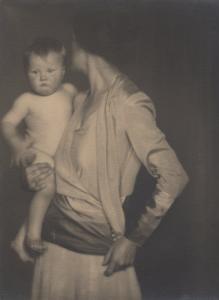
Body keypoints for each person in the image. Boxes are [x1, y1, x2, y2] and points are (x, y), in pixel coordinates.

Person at [12, 9, 189, 300]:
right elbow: (61, 175)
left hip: (96, 260)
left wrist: (135, 239)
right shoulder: (79, 98)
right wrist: (32, 177)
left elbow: (174, 177)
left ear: (78, 43)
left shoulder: (128, 103)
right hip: (52, 252)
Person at [1, 37, 76, 255]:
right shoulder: (26, 100)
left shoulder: (69, 91)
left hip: (63, 157)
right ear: (26, 74)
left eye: (50, 70)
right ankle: (33, 234)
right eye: (35, 72)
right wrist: (17, 145)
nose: (42, 77)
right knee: (48, 188)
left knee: (59, 195)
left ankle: (19, 238)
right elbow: (6, 123)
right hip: (39, 154)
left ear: (63, 71)